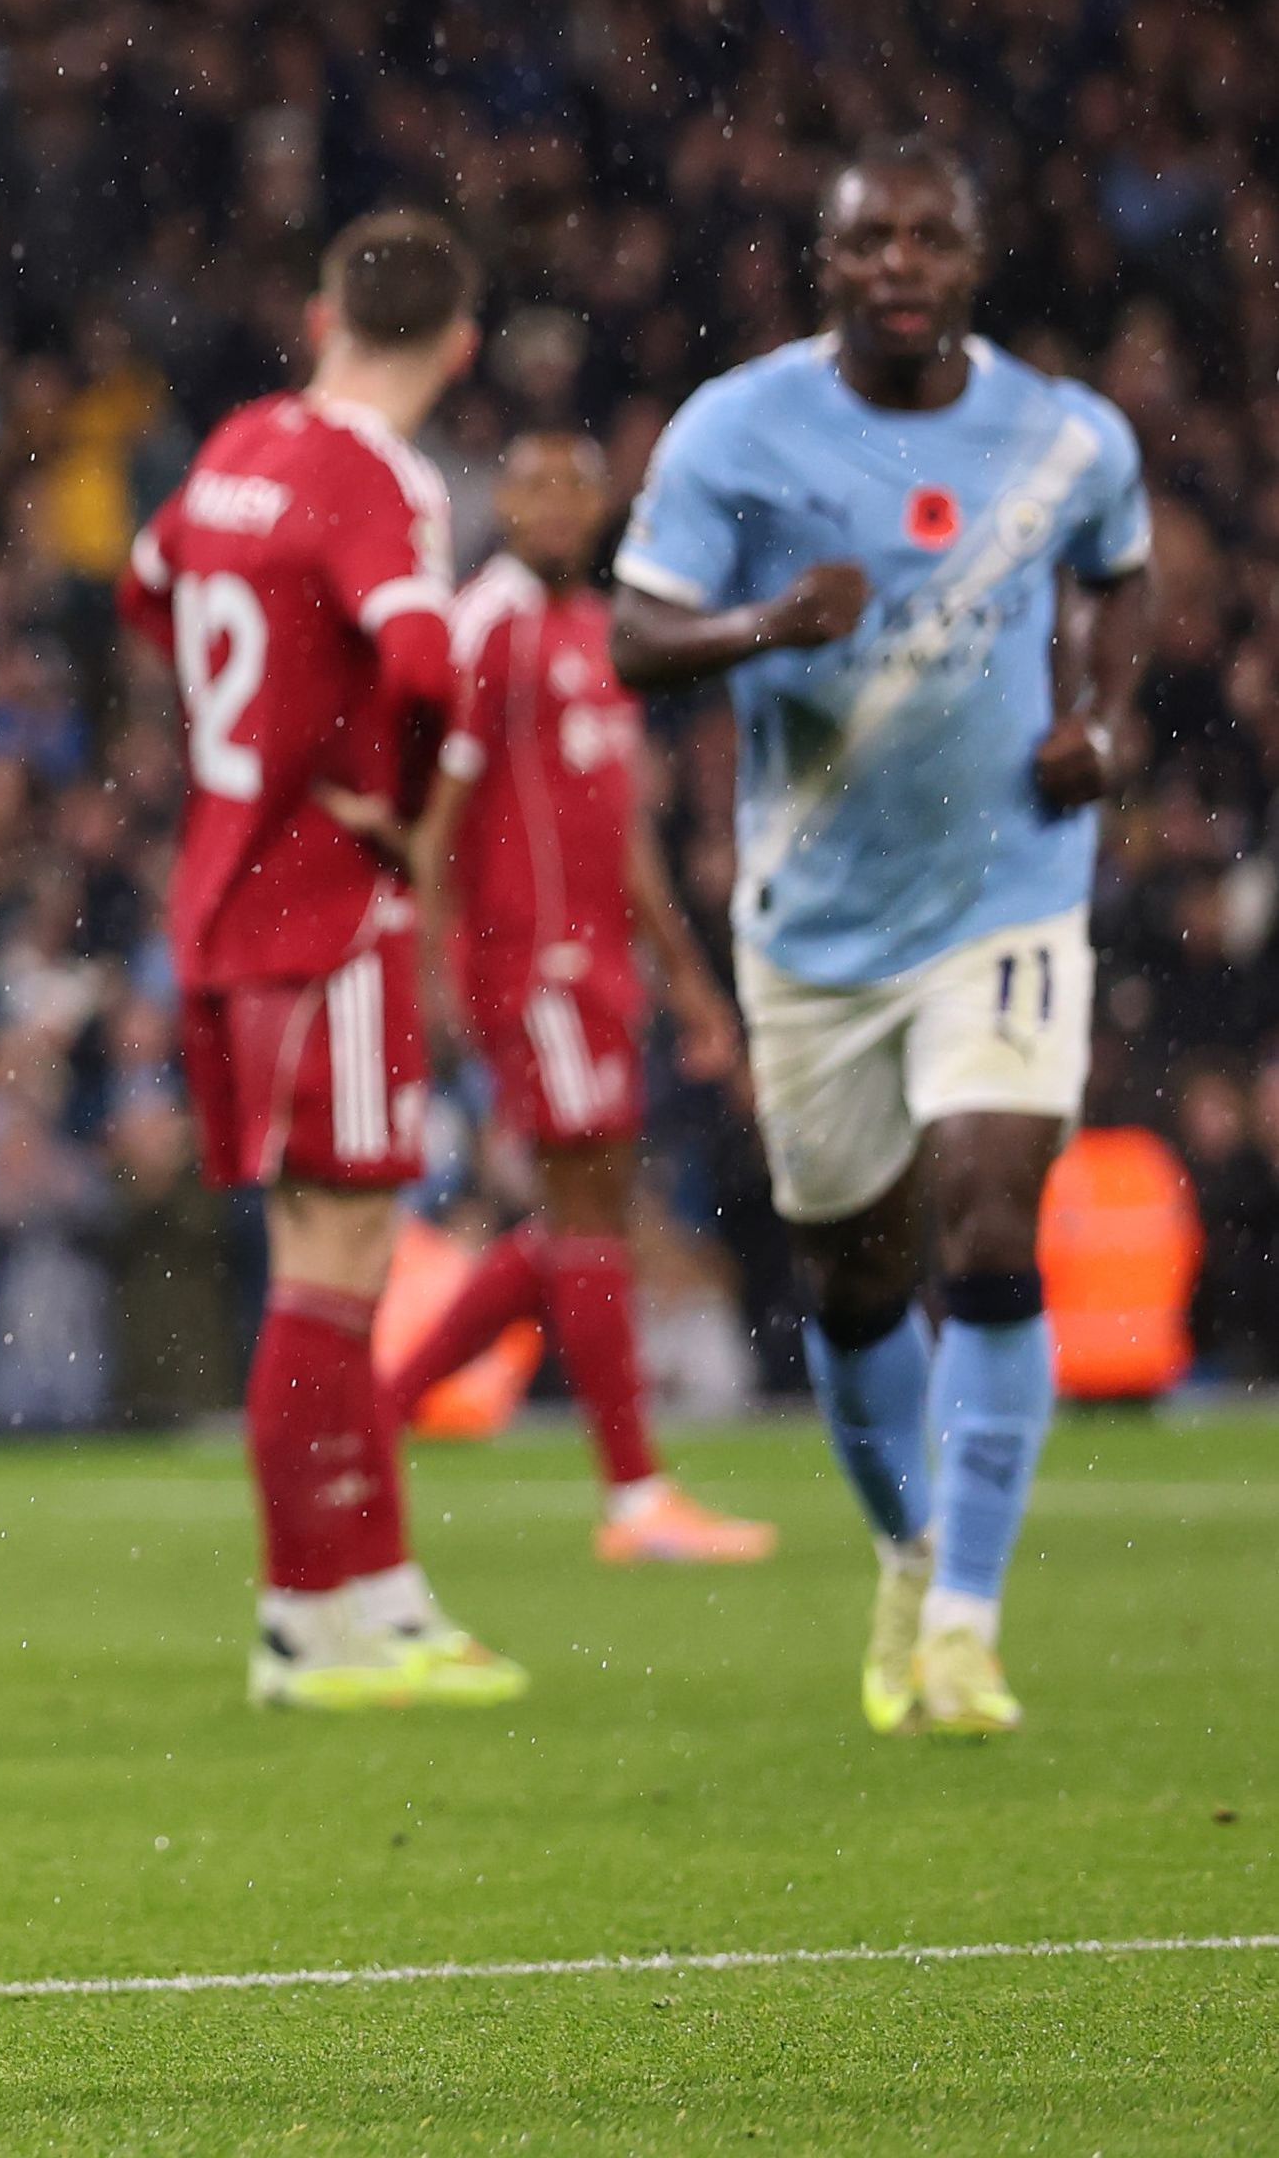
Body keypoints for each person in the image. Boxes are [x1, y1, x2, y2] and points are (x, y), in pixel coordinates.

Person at [609, 142, 1154, 1738]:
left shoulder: (1064, 436)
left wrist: (1107, 725)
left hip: (1010, 889)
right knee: (855, 1283)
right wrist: (764, 626)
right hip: (818, 929)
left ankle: (972, 1620)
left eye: (931, 235)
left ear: (974, 257)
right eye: (871, 242)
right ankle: (911, 1553)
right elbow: (638, 635)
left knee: (990, 1225)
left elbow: (1121, 575)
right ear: (825, 265)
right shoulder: (740, 428)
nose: (900, 263)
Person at [119, 211, 525, 1712]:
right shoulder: (378, 477)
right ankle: (311, 1615)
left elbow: (147, 584)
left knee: (332, 1260)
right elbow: (423, 659)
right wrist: (389, 797)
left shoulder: (240, 442)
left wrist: (246, 745)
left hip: (224, 895)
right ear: (461, 347)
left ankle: (375, 1593)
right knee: (333, 1266)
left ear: (318, 317)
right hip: (324, 907)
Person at [381, 431, 776, 1565]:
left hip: (600, 962)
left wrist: (690, 980)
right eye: (533, 486)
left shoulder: (603, 633)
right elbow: (438, 812)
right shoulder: (489, 622)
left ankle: (383, 1410)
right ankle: (635, 1498)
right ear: (501, 500)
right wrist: (432, 968)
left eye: (574, 487)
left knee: (574, 1219)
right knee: (589, 1208)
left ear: (605, 507)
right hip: (528, 960)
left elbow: (627, 829)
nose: (554, 507)